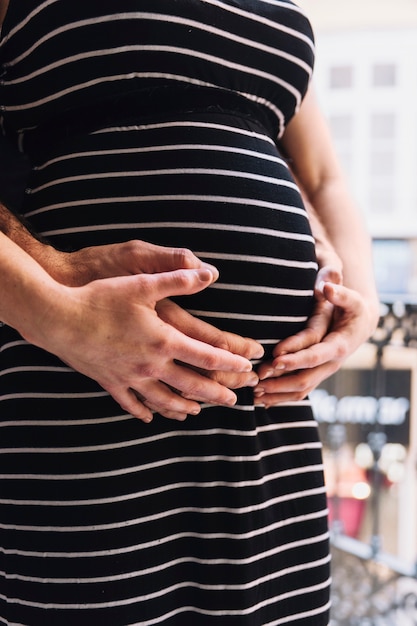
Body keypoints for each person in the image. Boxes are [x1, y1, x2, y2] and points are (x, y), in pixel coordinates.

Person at [0, 1, 379, 624]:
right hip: (85, 388)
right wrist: (56, 312)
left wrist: (359, 305)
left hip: (267, 419)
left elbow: (322, 176)